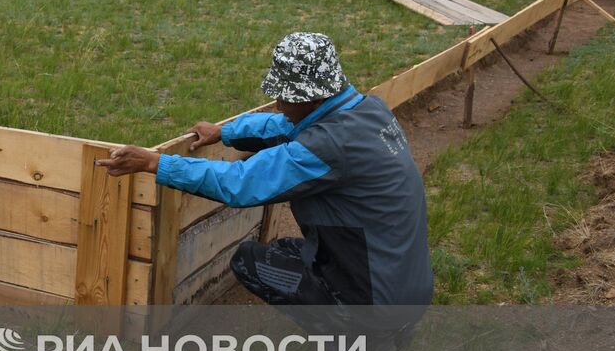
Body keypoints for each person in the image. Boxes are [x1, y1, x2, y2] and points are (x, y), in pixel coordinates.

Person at [98, 32, 432, 307]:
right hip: (402, 282)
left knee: (251, 261)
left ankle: (359, 349)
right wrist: (225, 132)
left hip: (379, 299)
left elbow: (240, 183)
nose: (279, 104)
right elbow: (283, 124)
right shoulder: (366, 110)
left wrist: (156, 162)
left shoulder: (328, 146)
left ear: (313, 99)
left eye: (286, 96)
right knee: (285, 251)